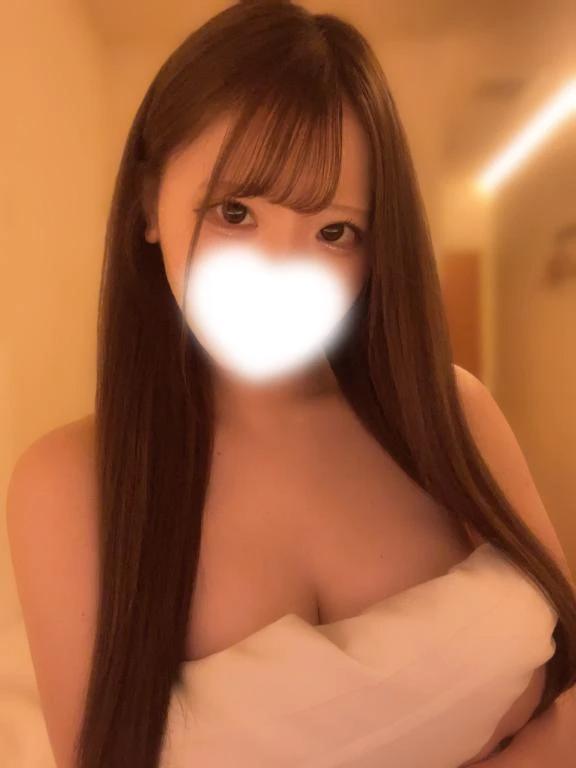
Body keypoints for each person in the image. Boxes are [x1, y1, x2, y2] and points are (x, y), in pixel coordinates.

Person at [7, 1, 576, 767]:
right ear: (148, 205)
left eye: (334, 231)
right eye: (236, 212)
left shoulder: (452, 413)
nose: (280, 272)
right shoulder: (67, 485)